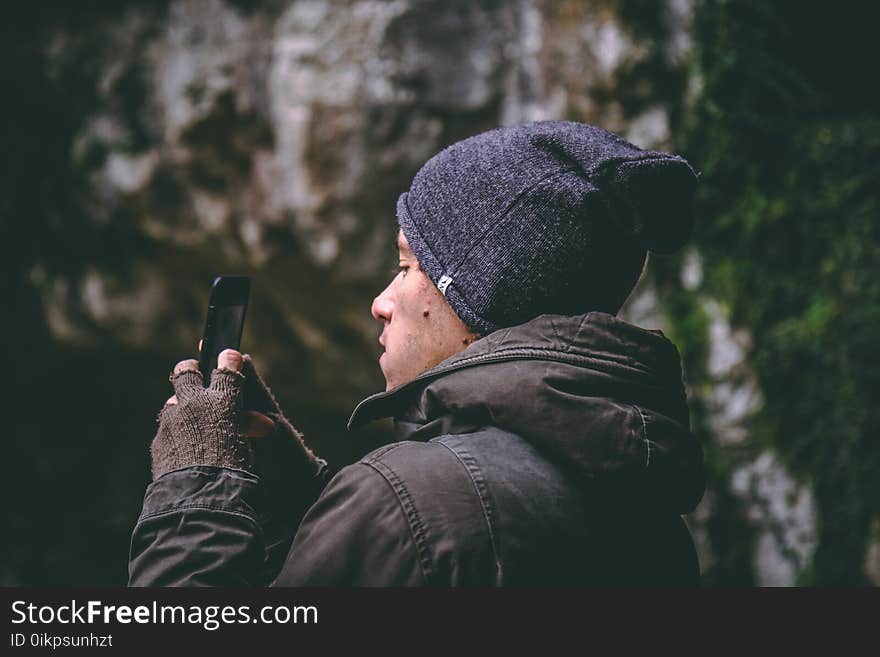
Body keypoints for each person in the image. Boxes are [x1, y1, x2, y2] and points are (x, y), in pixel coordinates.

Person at [128, 121, 706, 586]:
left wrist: (197, 489)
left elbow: (423, 532)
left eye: (407, 266)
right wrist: (290, 492)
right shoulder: (646, 513)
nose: (382, 301)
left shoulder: (412, 506)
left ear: (477, 289)